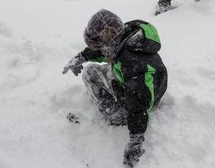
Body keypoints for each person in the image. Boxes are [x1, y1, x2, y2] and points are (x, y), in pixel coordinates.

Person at [62, 9, 167, 167]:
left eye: (100, 47)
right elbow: (104, 53)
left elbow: (138, 105)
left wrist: (136, 140)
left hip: (144, 97)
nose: (100, 51)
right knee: (107, 68)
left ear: (108, 44)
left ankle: (116, 116)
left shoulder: (132, 65)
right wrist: (81, 58)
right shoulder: (129, 39)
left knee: (90, 73)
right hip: (150, 85)